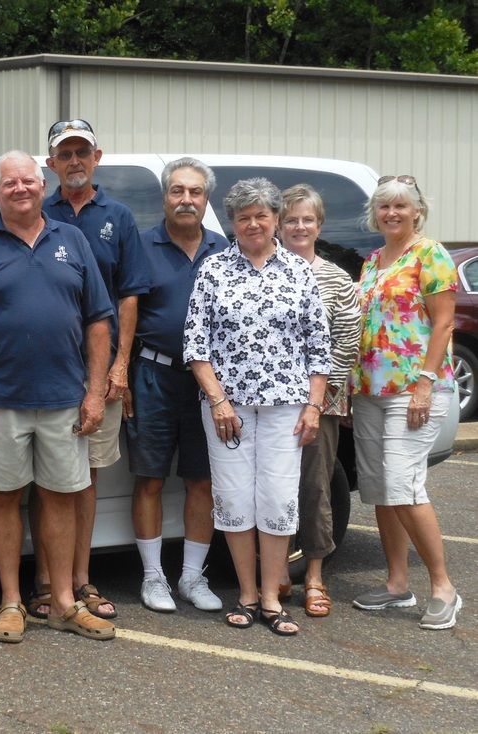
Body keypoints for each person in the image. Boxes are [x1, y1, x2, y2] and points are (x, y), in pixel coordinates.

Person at [0, 150, 116, 643]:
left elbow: (98, 321)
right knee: (4, 500)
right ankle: (11, 602)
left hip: (65, 398)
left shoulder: (74, 240)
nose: (20, 189)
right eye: (10, 183)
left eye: (28, 181)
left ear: (43, 186)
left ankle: (63, 603)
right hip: (0, 401)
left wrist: (94, 393)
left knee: (62, 498)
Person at [183, 177, 330, 636]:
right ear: (232, 222)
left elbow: (318, 343)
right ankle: (246, 593)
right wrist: (218, 400)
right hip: (228, 408)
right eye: (243, 216)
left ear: (275, 220)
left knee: (278, 497)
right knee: (232, 497)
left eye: (261, 215)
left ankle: (272, 597)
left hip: (287, 406)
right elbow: (195, 343)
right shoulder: (213, 270)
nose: (253, 223)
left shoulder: (298, 271)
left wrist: (315, 405)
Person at [25, 119, 152, 621]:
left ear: (97, 156)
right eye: (64, 153)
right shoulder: (34, 208)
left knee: (87, 479)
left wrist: (119, 366)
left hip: (99, 370)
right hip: (46, 368)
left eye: (82, 151)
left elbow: (130, 294)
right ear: (50, 163)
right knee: (45, 480)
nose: (74, 161)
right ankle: (44, 580)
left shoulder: (117, 217)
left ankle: (80, 578)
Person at [349, 175, 462, 630]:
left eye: (400, 206)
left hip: (413, 391)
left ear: (417, 210)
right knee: (379, 489)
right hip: (371, 390)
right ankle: (397, 583)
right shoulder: (374, 260)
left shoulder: (430, 253)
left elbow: (444, 324)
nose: (391, 213)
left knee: (405, 486)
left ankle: (443, 587)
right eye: (383, 207)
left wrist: (424, 383)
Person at [128, 158, 228, 614]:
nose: (186, 199)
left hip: (209, 384)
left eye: (195, 192)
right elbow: (122, 315)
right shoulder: (140, 245)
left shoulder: (224, 249)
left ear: (206, 199)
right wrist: (120, 377)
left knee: (201, 481)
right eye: (177, 191)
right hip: (152, 376)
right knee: (148, 478)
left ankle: (191, 577)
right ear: (164, 196)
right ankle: (153, 577)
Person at [278, 184, 361, 618]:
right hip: (270, 402)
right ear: (278, 223)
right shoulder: (265, 269)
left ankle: (312, 574)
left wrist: (326, 395)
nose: (299, 226)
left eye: (307, 219)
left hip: (319, 402)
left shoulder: (334, 277)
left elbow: (348, 338)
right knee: (271, 487)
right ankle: (274, 574)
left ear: (319, 224)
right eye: (291, 218)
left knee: (314, 487)